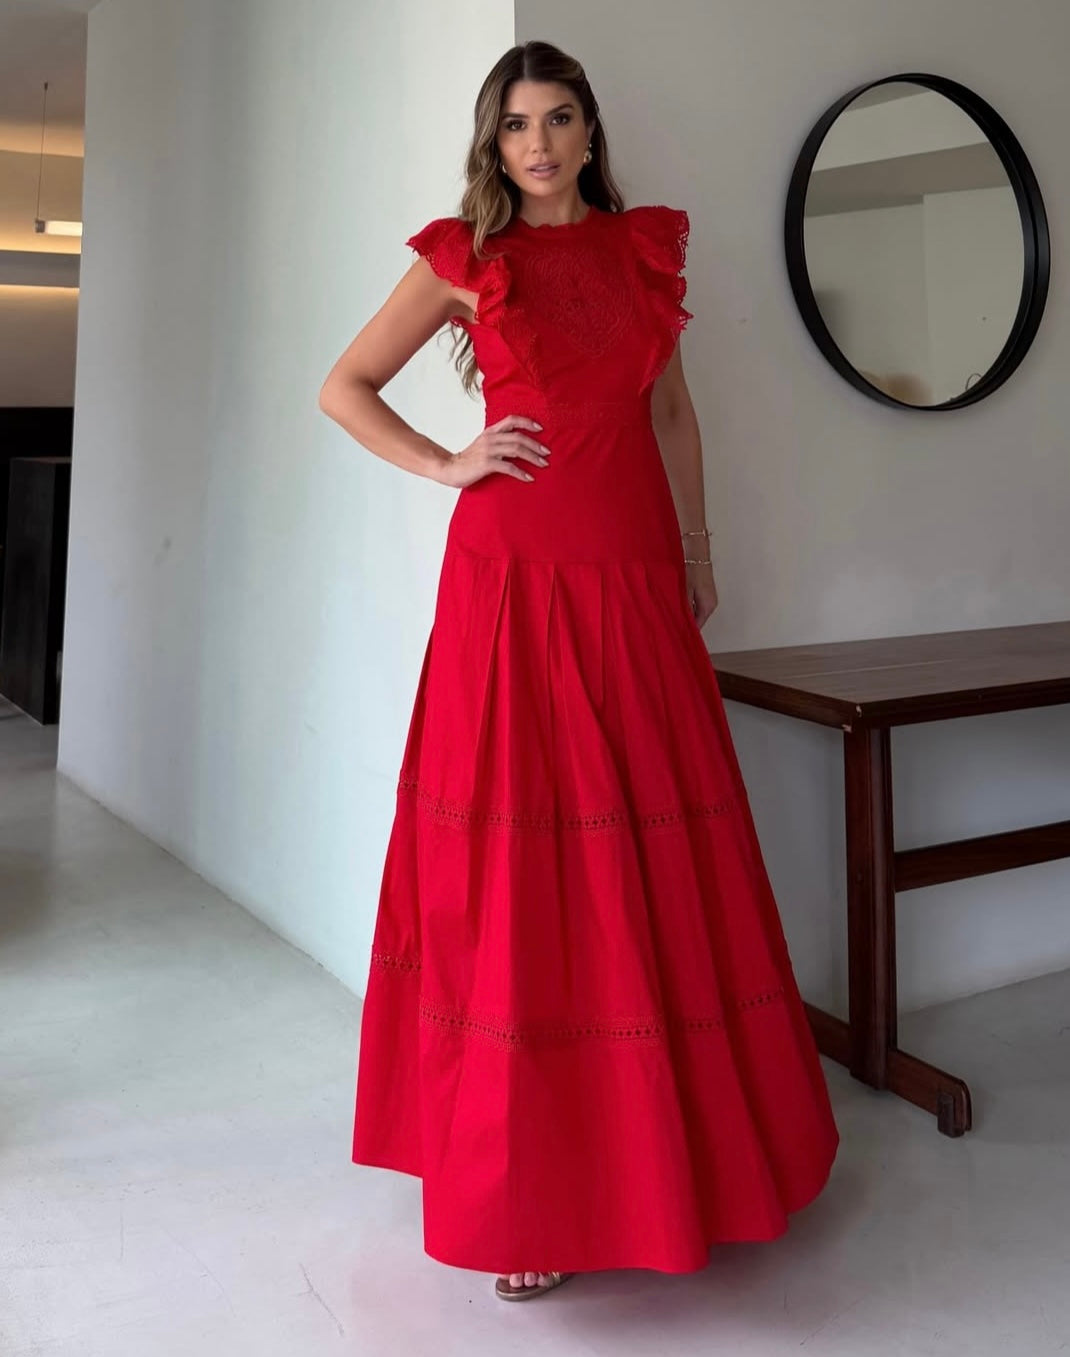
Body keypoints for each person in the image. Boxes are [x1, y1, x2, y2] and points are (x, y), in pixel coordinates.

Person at [318, 39, 839, 1304]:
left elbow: (671, 415)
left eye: (556, 119)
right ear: (491, 143)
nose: (537, 144)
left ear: (589, 132)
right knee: (524, 867)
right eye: (514, 124)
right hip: (510, 582)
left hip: (634, 577)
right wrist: (447, 463)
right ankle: (532, 1193)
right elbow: (344, 387)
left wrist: (698, 553)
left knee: (654, 857)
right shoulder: (465, 256)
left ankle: (681, 1165)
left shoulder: (640, 250)